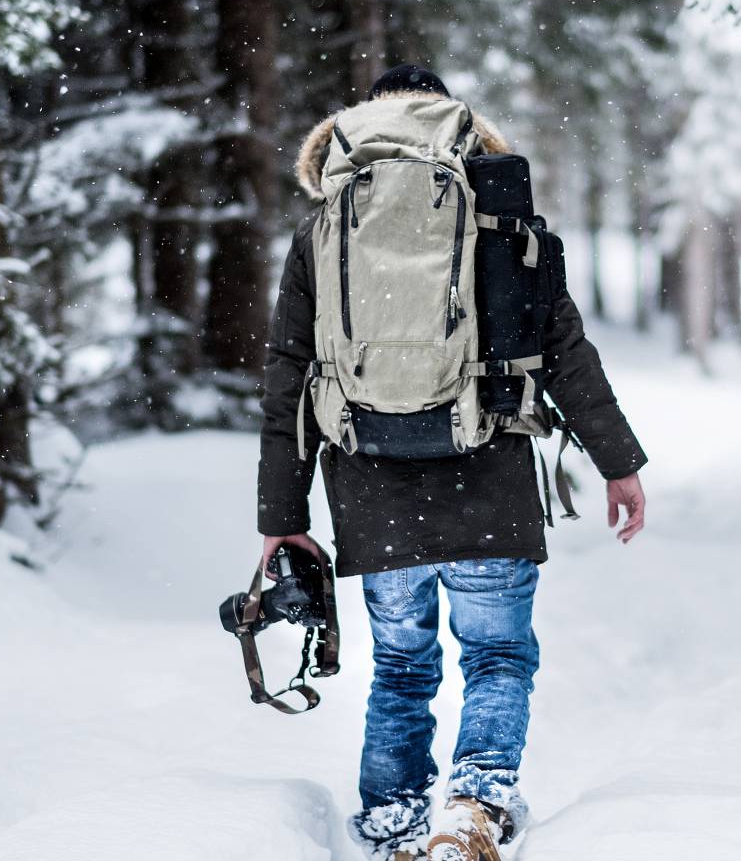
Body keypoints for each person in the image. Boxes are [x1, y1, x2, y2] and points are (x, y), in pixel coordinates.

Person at [255, 64, 649, 861]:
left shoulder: (328, 224)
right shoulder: (499, 216)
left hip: (371, 477)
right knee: (498, 655)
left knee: (401, 666)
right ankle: (472, 807)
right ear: (454, 123)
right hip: (488, 470)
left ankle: (394, 822)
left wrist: (282, 520)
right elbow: (564, 348)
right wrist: (619, 461)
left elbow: (288, 375)